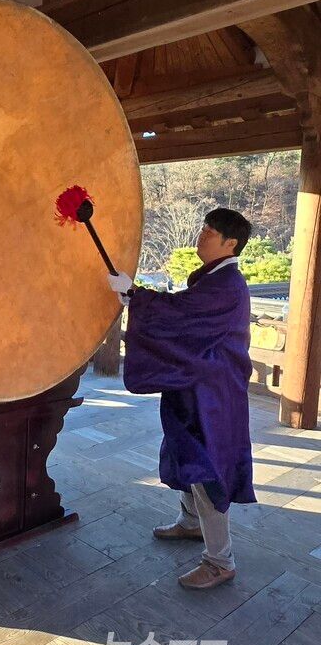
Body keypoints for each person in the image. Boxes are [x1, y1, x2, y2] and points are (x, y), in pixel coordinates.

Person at [109, 208, 256, 590]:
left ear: (230, 243)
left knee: (208, 467)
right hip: (198, 387)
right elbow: (183, 315)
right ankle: (191, 524)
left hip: (213, 397)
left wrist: (135, 297)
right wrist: (136, 296)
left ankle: (220, 561)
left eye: (211, 231)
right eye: (204, 227)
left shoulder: (226, 285)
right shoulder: (214, 279)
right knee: (185, 452)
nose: (202, 234)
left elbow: (182, 315)